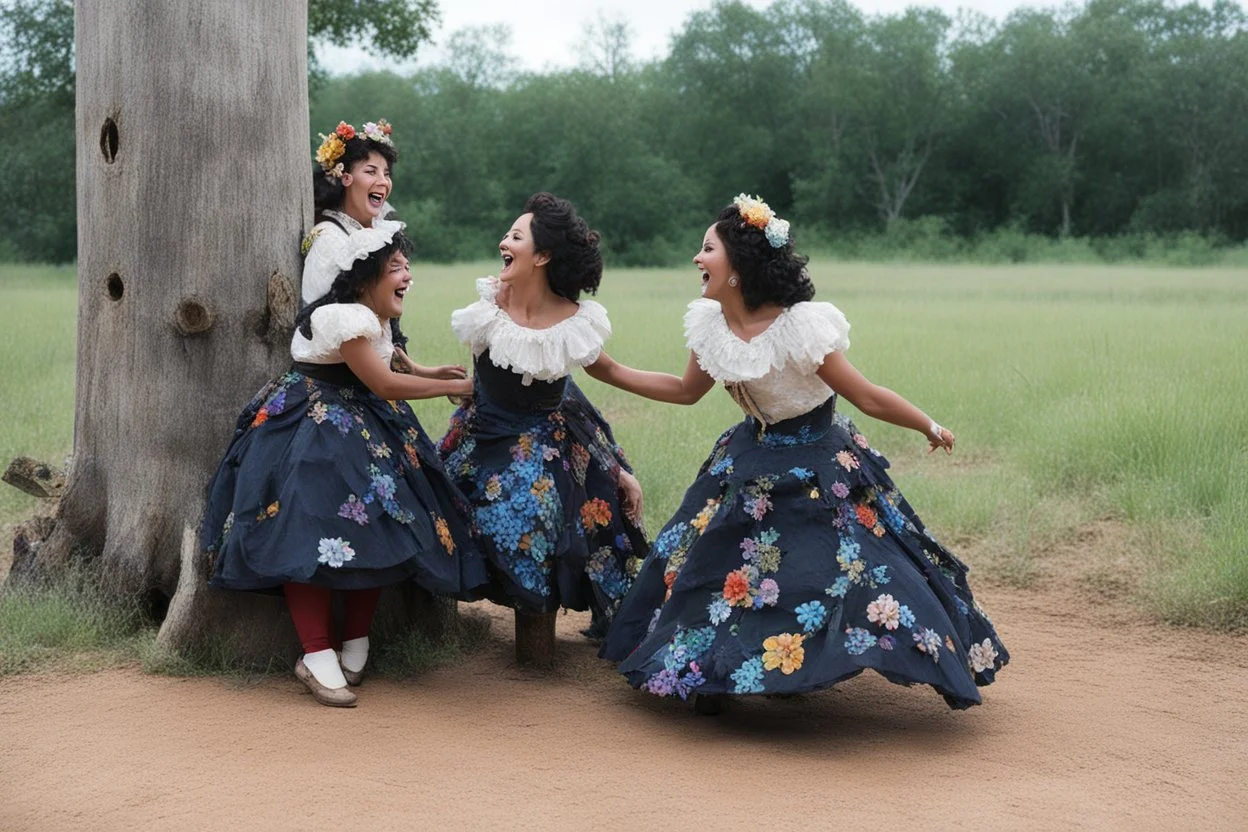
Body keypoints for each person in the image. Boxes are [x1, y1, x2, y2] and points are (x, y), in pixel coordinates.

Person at [592, 194, 1008, 711]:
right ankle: (715, 669)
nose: (697, 259)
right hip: (749, 457)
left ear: (739, 266)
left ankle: (808, 665)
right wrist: (606, 369)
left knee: (839, 569)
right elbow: (684, 389)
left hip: (819, 462)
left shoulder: (801, 327)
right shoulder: (710, 325)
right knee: (707, 562)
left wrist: (928, 424)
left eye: (707, 249)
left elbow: (866, 394)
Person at [201, 212, 485, 708]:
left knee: (379, 522)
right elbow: (384, 383)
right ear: (368, 275)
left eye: (407, 267)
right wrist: (456, 385)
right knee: (305, 525)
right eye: (397, 267)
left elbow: (387, 359)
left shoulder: (372, 316)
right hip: (313, 422)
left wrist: (428, 368)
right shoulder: (341, 316)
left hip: (362, 421)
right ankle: (314, 651)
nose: (407, 276)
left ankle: (356, 636)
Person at [438, 192, 647, 650]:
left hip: (543, 445)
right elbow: (480, 384)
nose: (503, 242)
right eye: (507, 234)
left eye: (516, 236)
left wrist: (613, 465)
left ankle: (537, 645)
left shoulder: (573, 322)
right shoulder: (489, 305)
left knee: (535, 511)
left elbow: (594, 384)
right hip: (480, 437)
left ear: (544, 255)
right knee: (433, 501)